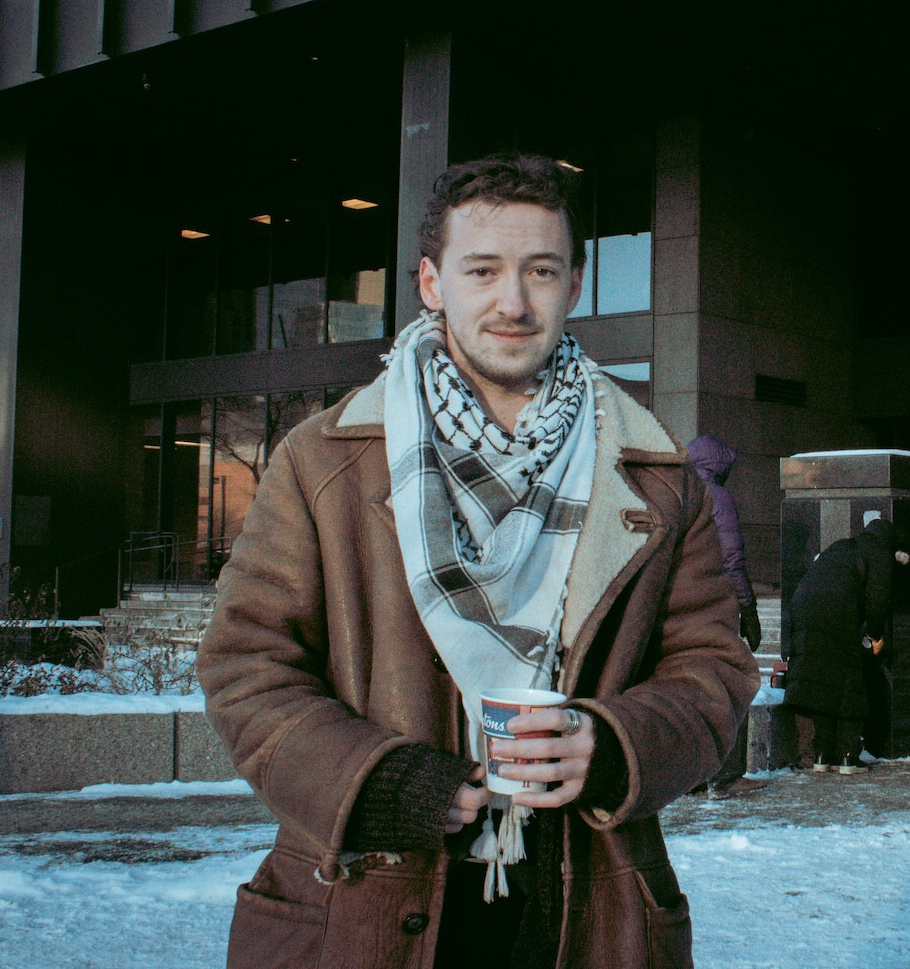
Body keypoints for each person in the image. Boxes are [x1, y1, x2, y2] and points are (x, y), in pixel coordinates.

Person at [196, 152, 759, 969]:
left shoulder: (658, 472)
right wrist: (380, 782)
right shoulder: (322, 461)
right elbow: (246, 663)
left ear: (573, 287)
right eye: (483, 269)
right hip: (359, 905)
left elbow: (714, 669)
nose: (513, 302)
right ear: (432, 283)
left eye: (540, 270)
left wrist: (613, 746)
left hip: (590, 910)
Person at [782, 516, 907, 775]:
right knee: (850, 684)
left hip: (803, 609)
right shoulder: (880, 553)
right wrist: (874, 635)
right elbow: (877, 599)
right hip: (837, 614)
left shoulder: (842, 546)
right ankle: (849, 756)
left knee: (824, 684)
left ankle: (822, 755)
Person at [686, 435, 767, 800]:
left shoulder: (679, 494)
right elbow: (732, 561)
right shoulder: (718, 498)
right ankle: (728, 774)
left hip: (680, 609)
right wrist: (748, 610)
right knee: (732, 685)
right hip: (716, 607)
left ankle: (691, 776)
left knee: (688, 689)